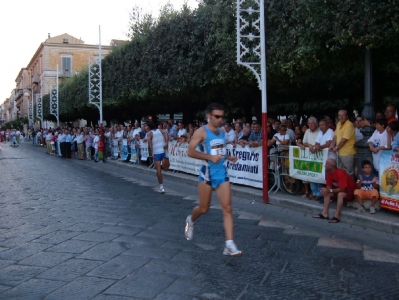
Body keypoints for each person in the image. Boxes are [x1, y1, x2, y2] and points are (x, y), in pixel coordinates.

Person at [185, 103, 242, 257]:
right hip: (207, 174)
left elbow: (220, 150)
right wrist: (209, 157)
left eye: (222, 117)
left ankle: (229, 244)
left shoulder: (222, 131)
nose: (220, 120)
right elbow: (190, 152)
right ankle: (191, 220)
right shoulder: (201, 132)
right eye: (217, 116)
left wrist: (229, 157)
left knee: (228, 208)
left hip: (222, 173)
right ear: (208, 116)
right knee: (204, 209)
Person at [313, 158, 357, 223]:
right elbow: (329, 187)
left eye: (326, 164)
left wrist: (329, 190)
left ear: (331, 166)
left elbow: (342, 189)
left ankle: (337, 215)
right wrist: (325, 190)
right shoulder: (329, 173)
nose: (325, 166)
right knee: (326, 192)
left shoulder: (341, 173)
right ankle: (324, 213)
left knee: (340, 194)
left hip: (349, 192)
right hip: (338, 190)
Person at [330, 110, 356, 177]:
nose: (341, 117)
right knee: (340, 173)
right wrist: (332, 145)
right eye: (339, 115)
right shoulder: (338, 123)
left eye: (343, 115)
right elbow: (335, 136)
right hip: (339, 153)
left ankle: (350, 187)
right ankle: (343, 187)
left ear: (347, 116)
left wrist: (336, 147)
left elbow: (344, 139)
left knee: (348, 173)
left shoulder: (349, 125)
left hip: (348, 153)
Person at [147, 121, 169, 193]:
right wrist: (166, 143)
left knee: (162, 169)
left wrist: (152, 152)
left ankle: (161, 186)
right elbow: (166, 134)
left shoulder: (151, 133)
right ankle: (161, 186)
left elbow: (150, 143)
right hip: (160, 152)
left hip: (159, 152)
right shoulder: (158, 131)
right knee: (161, 169)